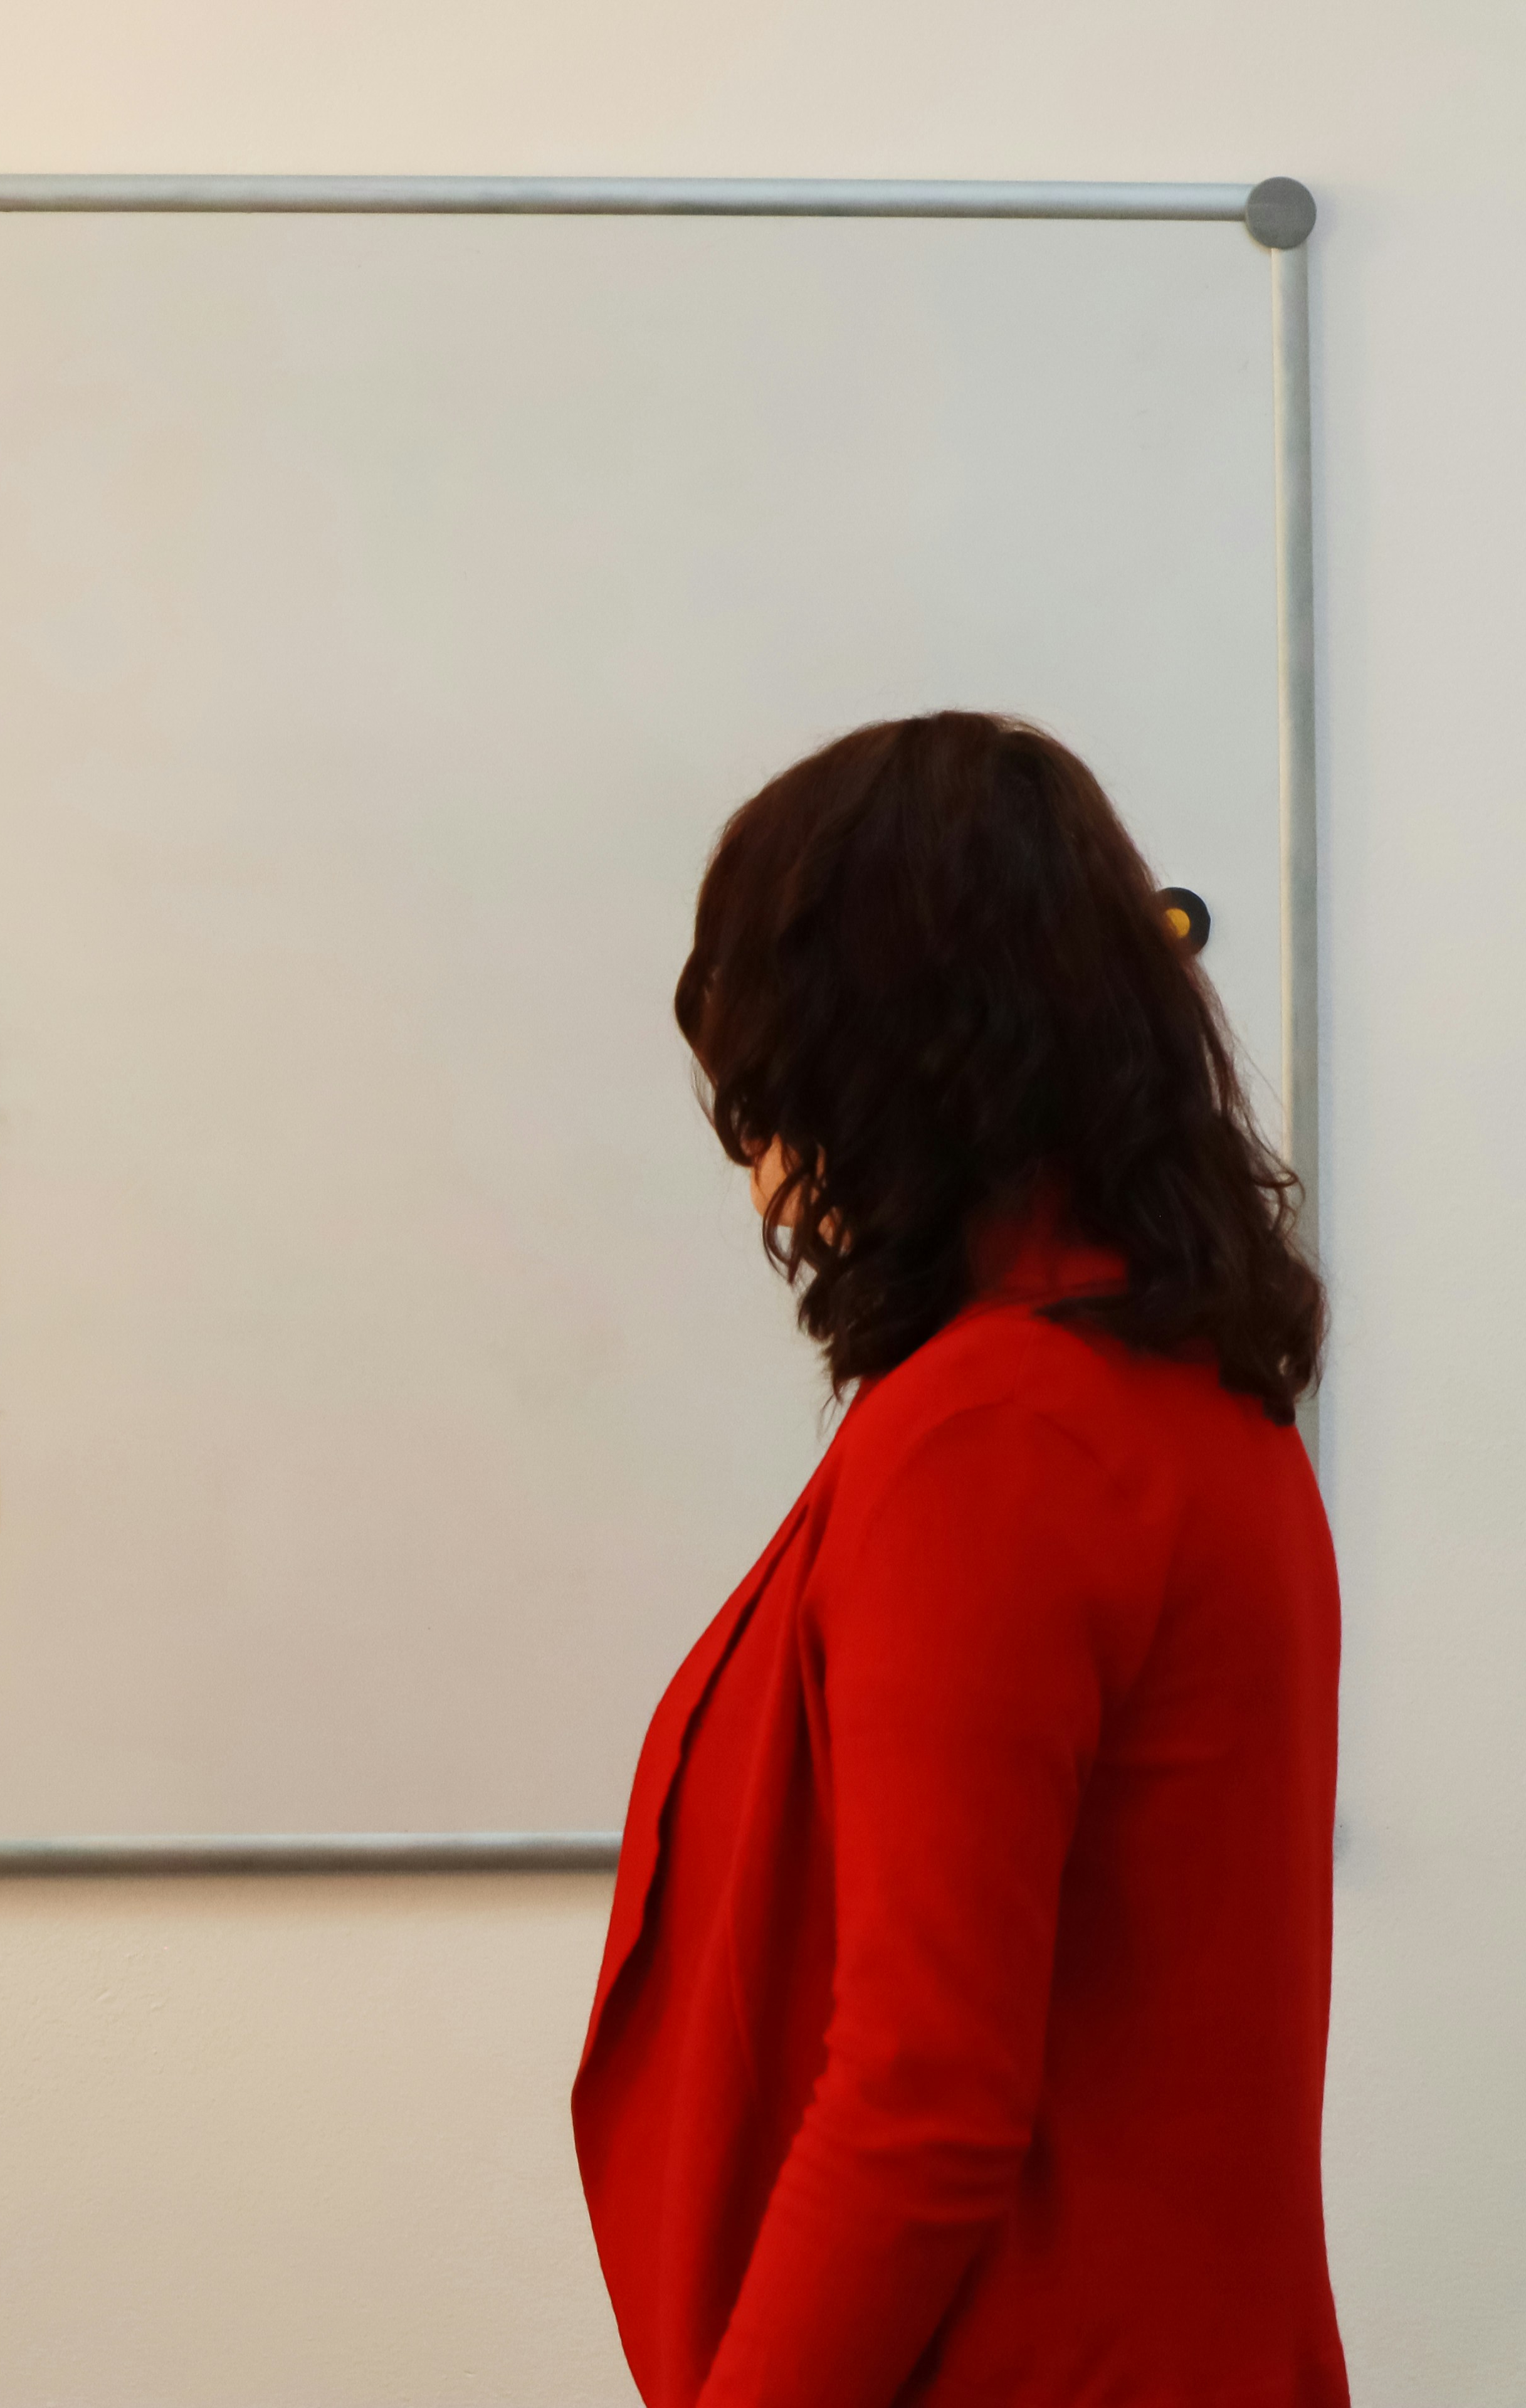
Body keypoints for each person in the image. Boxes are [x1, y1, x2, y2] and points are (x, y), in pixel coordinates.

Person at [573, 712, 1343, 2403]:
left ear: (895, 1066)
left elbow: (922, 2094)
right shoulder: (1204, 1409)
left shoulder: (995, 1440)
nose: (773, 1175)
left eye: (779, 1096)